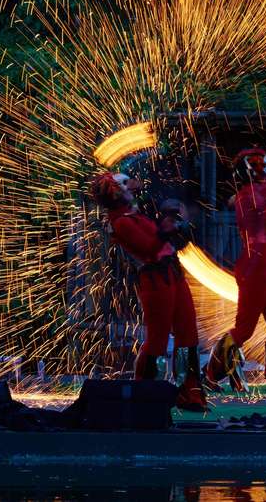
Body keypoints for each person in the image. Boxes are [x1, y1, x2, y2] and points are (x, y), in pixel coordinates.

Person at [91, 171, 206, 412]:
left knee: (188, 333)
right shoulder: (121, 222)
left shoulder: (133, 215)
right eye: (124, 184)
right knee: (158, 339)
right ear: (113, 192)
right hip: (155, 280)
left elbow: (161, 242)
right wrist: (166, 229)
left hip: (172, 274)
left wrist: (172, 229)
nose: (131, 186)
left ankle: (190, 391)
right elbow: (149, 247)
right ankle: (145, 390)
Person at [205, 147, 266, 392]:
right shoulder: (261, 192)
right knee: (244, 329)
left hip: (261, 266)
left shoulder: (243, 195)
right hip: (256, 268)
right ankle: (211, 376)